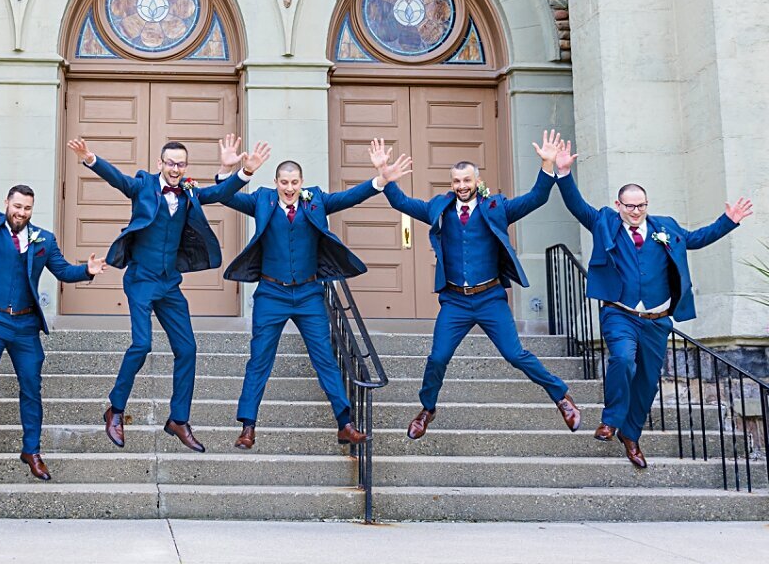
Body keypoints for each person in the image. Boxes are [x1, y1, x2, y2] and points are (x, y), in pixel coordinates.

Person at [553, 139, 752, 467]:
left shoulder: (666, 227)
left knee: (647, 382)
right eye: (630, 205)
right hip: (621, 313)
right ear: (618, 204)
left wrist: (727, 221)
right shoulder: (605, 221)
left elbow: (696, 239)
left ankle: (630, 434)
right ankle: (611, 419)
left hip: (657, 319)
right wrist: (563, 174)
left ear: (647, 204)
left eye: (641, 205)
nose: (635, 211)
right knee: (622, 360)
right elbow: (578, 207)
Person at [67, 135, 271, 452]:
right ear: (161, 163)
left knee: (188, 348)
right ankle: (115, 409)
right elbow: (117, 180)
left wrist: (244, 172)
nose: (175, 169)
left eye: (180, 164)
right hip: (140, 279)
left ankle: (178, 419)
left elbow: (219, 193)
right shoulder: (143, 185)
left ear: (185, 166)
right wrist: (90, 157)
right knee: (141, 343)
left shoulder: (188, 191)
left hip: (169, 283)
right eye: (170, 163)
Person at [380, 131, 582, 440]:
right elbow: (402, 204)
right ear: (452, 184)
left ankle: (561, 397)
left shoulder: (496, 207)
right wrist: (386, 178)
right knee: (437, 357)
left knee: (515, 355)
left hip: (489, 298)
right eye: (456, 181)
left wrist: (547, 165)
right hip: (455, 301)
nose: (462, 186)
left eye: (467, 180)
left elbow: (536, 199)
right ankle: (427, 409)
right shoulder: (439, 209)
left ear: (477, 181)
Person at [218, 139, 413, 450]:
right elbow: (225, 197)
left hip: (309, 293)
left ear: (302, 182)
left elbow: (351, 197)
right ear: (276, 182)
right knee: (259, 360)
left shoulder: (316, 200)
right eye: (284, 182)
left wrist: (381, 179)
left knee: (324, 358)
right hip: (271, 293)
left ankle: (345, 424)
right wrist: (232, 169)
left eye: (294, 182)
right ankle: (248, 427)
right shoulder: (262, 200)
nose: (289, 188)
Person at [0, 137, 104, 480]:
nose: (21, 213)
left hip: (25, 326)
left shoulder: (43, 239)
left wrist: (87, 272)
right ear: (7, 203)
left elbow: (62, 270)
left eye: (27, 208)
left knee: (31, 387)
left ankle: (31, 450)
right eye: (17, 206)